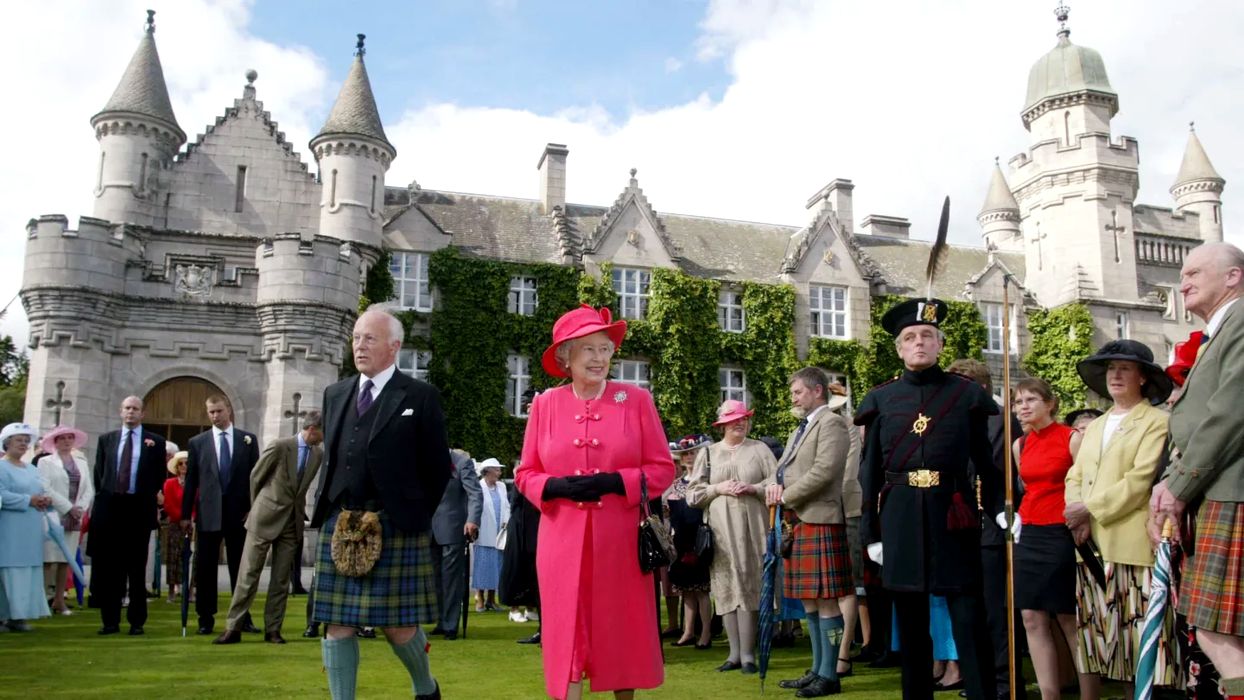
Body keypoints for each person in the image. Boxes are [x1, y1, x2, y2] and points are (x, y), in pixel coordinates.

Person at [515, 304, 675, 700]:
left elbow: (662, 469)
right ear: (566, 357)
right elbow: (525, 472)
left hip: (620, 540)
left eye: (605, 349)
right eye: (588, 349)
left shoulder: (635, 400)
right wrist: (555, 487)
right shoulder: (546, 405)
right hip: (561, 542)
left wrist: (617, 481)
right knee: (565, 631)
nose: (599, 358)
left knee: (621, 630)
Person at [855, 298, 1003, 700]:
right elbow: (869, 475)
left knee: (969, 619)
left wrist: (1000, 510)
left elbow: (985, 464)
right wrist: (871, 533)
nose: (918, 342)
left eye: (926, 336)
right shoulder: (881, 399)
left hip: (953, 515)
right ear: (899, 349)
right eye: (910, 337)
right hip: (901, 517)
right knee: (911, 626)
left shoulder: (966, 395)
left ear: (940, 345)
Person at [310, 308, 452, 700]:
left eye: (369, 339)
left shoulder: (420, 396)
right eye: (356, 338)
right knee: (337, 623)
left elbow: (438, 468)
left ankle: (425, 688)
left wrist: (412, 514)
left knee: (398, 627)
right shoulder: (335, 394)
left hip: (395, 523)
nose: (359, 346)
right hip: (341, 522)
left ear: (394, 346)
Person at [1152, 242, 1244, 698]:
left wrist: (1178, 485)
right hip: (1218, 488)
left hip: (1229, 490)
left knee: (1215, 631)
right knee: (1217, 632)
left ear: (1233, 276)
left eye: (1193, 273)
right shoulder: (1221, 329)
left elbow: (1230, 413)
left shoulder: (1241, 320)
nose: (1182, 283)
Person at [1065, 339, 1178, 697]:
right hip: (1090, 548)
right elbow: (1075, 475)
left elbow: (1140, 480)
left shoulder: (1158, 422)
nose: (1115, 375)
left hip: (1132, 546)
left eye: (1124, 368)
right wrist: (1076, 512)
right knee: (1106, 644)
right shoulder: (1096, 426)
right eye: (1111, 368)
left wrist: (1088, 509)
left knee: (1139, 645)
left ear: (1143, 378)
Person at [764, 366, 854, 698]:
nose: (793, 398)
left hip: (820, 518)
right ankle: (817, 669)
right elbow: (781, 471)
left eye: (797, 392)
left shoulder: (832, 423)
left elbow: (824, 471)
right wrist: (766, 487)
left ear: (817, 391)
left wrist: (785, 496)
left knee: (827, 601)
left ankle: (830, 675)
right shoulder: (800, 429)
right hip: (798, 521)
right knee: (810, 602)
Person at [1010, 378, 1092, 700]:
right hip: (1028, 531)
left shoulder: (1071, 438)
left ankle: (1089, 694)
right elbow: (1027, 487)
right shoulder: (1020, 445)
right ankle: (1049, 695)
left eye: (1030, 400)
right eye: (1018, 402)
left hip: (1062, 531)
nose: (1023, 407)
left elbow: (1086, 485)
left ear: (1050, 403)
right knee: (1031, 616)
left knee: (1068, 617)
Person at [947, 357, 1023, 700]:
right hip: (964, 527)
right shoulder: (959, 419)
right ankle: (981, 678)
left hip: (993, 524)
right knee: (971, 611)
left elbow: (991, 469)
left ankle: (1004, 682)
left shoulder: (1000, 419)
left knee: (997, 612)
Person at [213, 410, 324, 645]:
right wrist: (258, 507)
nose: (326, 436)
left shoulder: (317, 454)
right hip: (264, 517)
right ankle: (233, 627)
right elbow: (256, 477)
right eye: (324, 431)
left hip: (291, 522)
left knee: (281, 579)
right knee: (248, 574)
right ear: (313, 429)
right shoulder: (280, 446)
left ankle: (273, 629)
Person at [687, 401, 777, 673]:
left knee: (749, 585)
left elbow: (777, 482)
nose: (740, 423)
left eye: (744, 418)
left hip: (753, 531)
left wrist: (754, 487)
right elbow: (693, 494)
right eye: (735, 419)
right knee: (726, 588)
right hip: (721, 533)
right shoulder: (709, 453)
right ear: (723, 424)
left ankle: (748, 655)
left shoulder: (759, 449)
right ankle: (734, 654)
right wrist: (718, 488)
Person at [182, 395, 260, 636]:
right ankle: (205, 618)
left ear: (228, 410)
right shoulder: (198, 443)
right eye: (211, 412)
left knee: (240, 568)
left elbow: (255, 478)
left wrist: (253, 508)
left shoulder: (247, 440)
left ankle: (242, 617)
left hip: (239, 514)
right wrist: (185, 515)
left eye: (218, 411)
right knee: (205, 568)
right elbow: (191, 481)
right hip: (208, 513)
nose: (215, 416)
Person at [88, 396, 167, 635]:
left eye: (135, 409)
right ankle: (110, 621)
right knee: (112, 568)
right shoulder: (107, 440)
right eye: (127, 408)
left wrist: (149, 498)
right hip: (112, 509)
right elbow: (100, 474)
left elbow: (159, 476)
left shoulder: (155, 442)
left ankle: (137, 621)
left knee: (136, 568)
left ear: (143, 413)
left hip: (138, 510)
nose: (131, 412)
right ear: (120, 411)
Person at [0, 423, 53, 631]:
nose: (23, 444)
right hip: (9, 527)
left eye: (25, 441)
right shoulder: (1, 467)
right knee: (8, 569)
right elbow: (2, 495)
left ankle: (18, 616)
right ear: (7, 443)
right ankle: (3, 615)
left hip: (30, 527)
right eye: (18, 440)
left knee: (27, 570)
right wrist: (27, 500)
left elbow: (40, 490)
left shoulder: (31, 469)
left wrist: (44, 499)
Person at [37, 425, 93, 615]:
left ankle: (59, 600)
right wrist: (68, 507)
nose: (67, 441)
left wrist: (80, 508)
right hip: (53, 514)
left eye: (70, 437)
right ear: (55, 442)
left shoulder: (81, 463)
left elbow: (88, 489)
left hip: (75, 517)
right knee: (47, 558)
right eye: (62, 438)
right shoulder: (45, 462)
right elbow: (45, 488)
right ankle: (42, 599)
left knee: (65, 559)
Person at [666, 434, 714, 651]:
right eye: (685, 454)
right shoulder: (676, 485)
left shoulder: (706, 482)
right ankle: (688, 631)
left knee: (702, 590)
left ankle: (705, 632)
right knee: (686, 589)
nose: (688, 457)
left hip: (700, 540)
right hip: (681, 541)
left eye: (692, 453)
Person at [430, 448, 482, 640]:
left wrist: (472, 520)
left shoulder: (461, 462)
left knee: (451, 579)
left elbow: (475, 493)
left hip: (452, 528)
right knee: (435, 579)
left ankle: (451, 625)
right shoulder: (424, 458)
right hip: (428, 529)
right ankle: (441, 621)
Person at [473, 458, 510, 613]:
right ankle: (480, 598)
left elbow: (506, 505)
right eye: (497, 470)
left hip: (500, 532)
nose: (499, 472)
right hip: (484, 531)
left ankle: (491, 600)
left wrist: (506, 521)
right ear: (487, 471)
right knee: (483, 567)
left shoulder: (501, 486)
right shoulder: (478, 486)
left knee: (497, 567)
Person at [162, 451, 188, 603]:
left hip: (191, 523)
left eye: (186, 463)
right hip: (175, 523)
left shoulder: (195, 483)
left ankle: (190, 589)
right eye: (181, 463)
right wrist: (181, 518)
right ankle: (171, 590)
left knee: (190, 556)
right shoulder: (170, 483)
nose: (184, 466)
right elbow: (168, 504)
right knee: (173, 556)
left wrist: (190, 518)